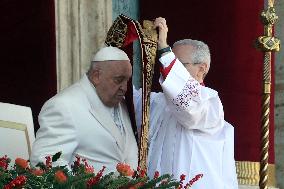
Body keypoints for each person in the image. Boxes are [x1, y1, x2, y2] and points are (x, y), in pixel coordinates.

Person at [134, 17, 238, 188]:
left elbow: (189, 106)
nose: (170, 68)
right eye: (169, 62)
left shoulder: (209, 103)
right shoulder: (157, 102)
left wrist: (164, 49)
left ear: (202, 68)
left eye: (178, 65)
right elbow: (123, 99)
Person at [31, 46, 138, 174]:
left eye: (127, 80)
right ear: (96, 76)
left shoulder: (123, 103)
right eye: (119, 80)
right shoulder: (64, 106)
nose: (125, 88)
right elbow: (45, 163)